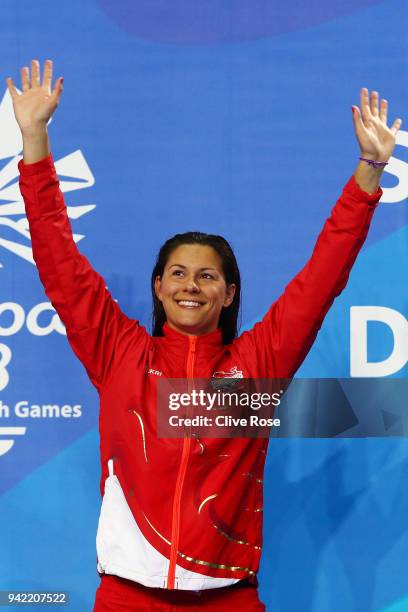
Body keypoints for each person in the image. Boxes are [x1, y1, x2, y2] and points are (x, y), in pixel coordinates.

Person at [7, 59, 402, 611]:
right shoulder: (119, 352)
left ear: (230, 293)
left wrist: (368, 170)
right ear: (159, 287)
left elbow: (323, 276)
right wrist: (34, 139)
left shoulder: (260, 360)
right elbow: (57, 260)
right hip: (125, 598)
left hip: (229, 598)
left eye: (208, 276)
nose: (191, 286)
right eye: (178, 273)